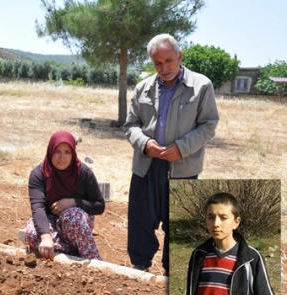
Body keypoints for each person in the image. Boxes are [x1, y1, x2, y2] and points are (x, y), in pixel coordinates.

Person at [124, 33, 219, 274]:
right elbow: (131, 125)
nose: (164, 67)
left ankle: (173, 272)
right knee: (141, 220)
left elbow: (208, 125)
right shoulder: (142, 88)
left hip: (183, 167)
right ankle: (140, 266)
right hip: (146, 166)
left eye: (169, 60)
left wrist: (181, 148)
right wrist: (145, 144)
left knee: (177, 222)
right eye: (158, 63)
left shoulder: (201, 86)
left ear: (180, 56)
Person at [23, 131, 104, 260]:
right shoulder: (39, 174)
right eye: (57, 151)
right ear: (50, 151)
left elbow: (99, 206)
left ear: (73, 153)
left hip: (75, 223)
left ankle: (92, 259)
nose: (62, 157)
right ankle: (72, 251)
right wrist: (45, 236)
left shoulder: (83, 173)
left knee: (72, 217)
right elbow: (38, 208)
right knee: (31, 234)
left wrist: (74, 202)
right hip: (50, 220)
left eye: (67, 152)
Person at [186, 193, 275, 295]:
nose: (216, 224)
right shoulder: (199, 254)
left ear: (236, 222)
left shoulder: (251, 257)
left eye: (223, 218)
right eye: (211, 217)